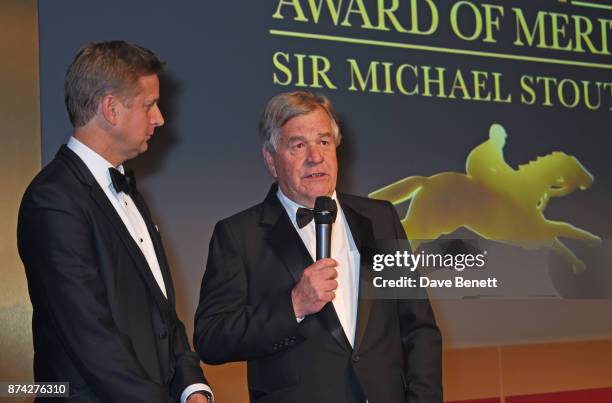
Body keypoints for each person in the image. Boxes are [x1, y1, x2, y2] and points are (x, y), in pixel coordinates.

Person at [194, 91, 442, 403]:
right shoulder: (239, 235)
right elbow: (212, 340)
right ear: (271, 160)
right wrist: (293, 306)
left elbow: (418, 327)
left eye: (324, 141)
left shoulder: (380, 219)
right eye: (298, 145)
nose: (315, 156)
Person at [18, 41, 212, 403]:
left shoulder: (130, 193)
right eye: (149, 105)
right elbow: (90, 335)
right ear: (110, 108)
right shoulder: (54, 199)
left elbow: (163, 315)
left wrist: (192, 388)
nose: (160, 118)